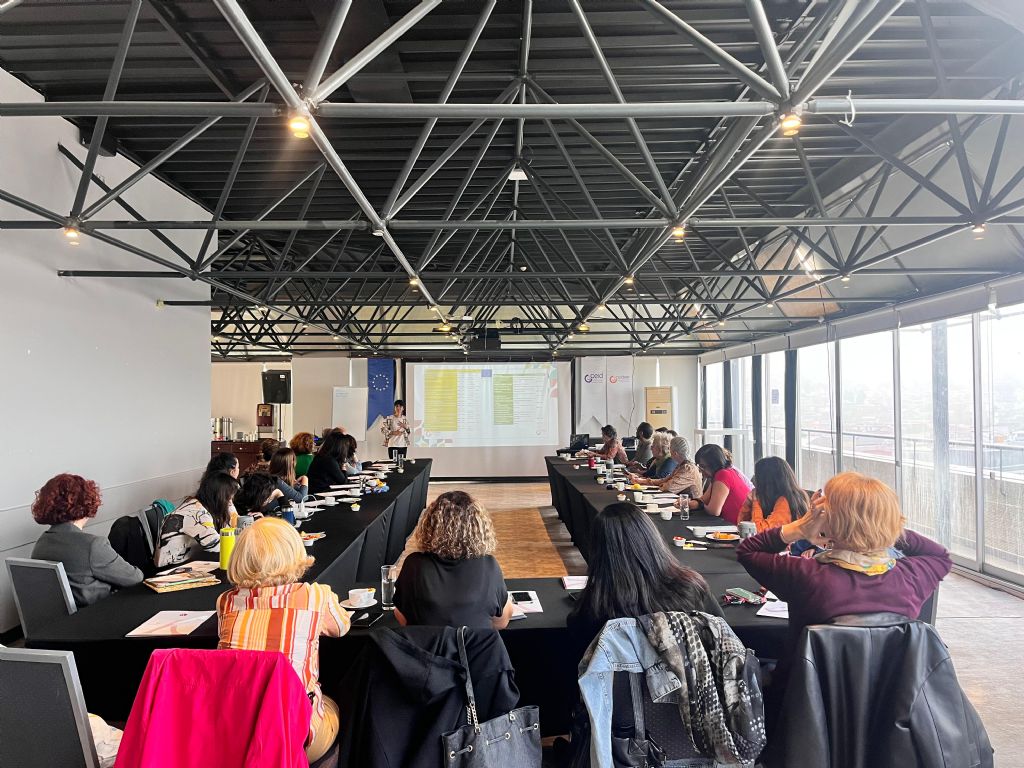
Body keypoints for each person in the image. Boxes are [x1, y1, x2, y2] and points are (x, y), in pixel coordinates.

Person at [736, 472, 952, 682]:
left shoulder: (804, 574)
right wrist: (882, 524)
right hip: (892, 699)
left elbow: (747, 550)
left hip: (802, 696)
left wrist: (800, 527)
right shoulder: (911, 577)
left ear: (829, 520)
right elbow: (940, 555)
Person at [217, 517, 350, 763]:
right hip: (295, 735)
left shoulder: (226, 602)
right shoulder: (314, 596)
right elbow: (341, 627)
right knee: (340, 704)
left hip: (239, 734)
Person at [567, 502, 721, 660]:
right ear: (653, 539)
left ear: (597, 552)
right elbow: (721, 633)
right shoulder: (691, 589)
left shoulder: (593, 610)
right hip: (693, 674)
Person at [394, 491, 513, 629]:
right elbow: (502, 622)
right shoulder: (488, 566)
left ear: (430, 525)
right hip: (473, 643)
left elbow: (403, 618)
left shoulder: (414, 565)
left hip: (425, 643)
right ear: (478, 527)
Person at [29, 473, 143, 608]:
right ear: (86, 504)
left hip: (61, 618)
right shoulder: (93, 545)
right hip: (99, 614)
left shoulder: (41, 543)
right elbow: (135, 578)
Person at [155, 472, 239, 567]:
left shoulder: (196, 503)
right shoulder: (196, 512)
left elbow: (229, 529)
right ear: (219, 497)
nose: (230, 503)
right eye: (228, 499)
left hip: (184, 562)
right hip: (170, 569)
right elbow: (216, 546)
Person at [737, 456, 806, 533]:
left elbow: (759, 532)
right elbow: (742, 525)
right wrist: (748, 503)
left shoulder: (786, 500)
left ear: (767, 483)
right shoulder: (775, 498)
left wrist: (756, 501)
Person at [687, 443, 752, 523]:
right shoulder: (725, 472)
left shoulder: (722, 475)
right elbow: (704, 499)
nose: (700, 470)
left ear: (713, 464)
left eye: (703, 466)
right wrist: (688, 503)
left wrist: (698, 505)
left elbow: (714, 511)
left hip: (735, 526)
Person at [628, 436, 701, 495]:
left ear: (675, 453)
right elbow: (664, 480)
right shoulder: (681, 465)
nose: (669, 451)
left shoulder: (688, 469)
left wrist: (662, 484)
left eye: (670, 448)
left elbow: (669, 488)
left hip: (689, 506)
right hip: (679, 502)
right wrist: (641, 481)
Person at [306, 430, 350, 495]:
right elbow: (343, 481)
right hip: (319, 494)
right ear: (340, 447)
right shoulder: (329, 460)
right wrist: (343, 465)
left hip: (318, 491)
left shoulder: (323, 456)